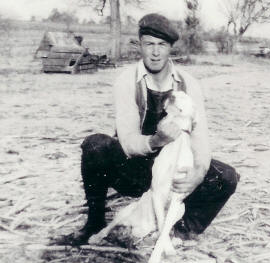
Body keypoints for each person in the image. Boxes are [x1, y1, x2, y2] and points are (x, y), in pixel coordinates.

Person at [58, 13, 239, 246]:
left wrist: (198, 173)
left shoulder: (189, 84)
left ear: (170, 47)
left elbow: (200, 138)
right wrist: (155, 141)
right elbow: (127, 141)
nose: (155, 52)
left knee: (226, 177)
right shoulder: (127, 81)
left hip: (171, 170)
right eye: (149, 44)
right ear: (140, 45)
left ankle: (180, 231)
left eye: (161, 45)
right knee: (95, 145)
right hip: (135, 169)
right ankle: (95, 223)